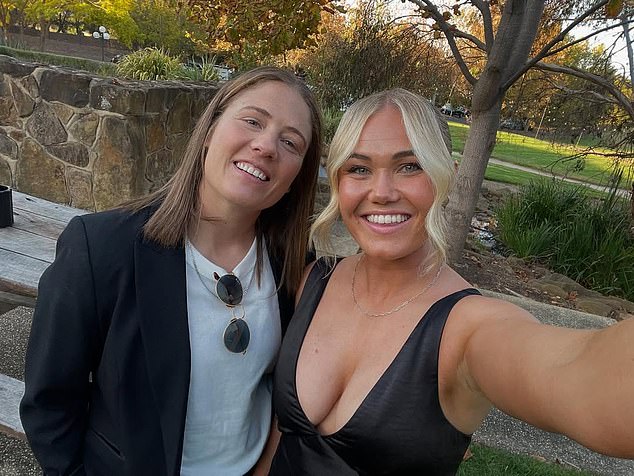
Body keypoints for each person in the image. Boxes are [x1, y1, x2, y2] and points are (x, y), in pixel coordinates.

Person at [268, 88, 634, 475]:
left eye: (410, 166)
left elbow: (582, 378)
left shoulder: (468, 329)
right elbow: (278, 435)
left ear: (450, 176)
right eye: (359, 169)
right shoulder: (313, 279)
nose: (382, 192)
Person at [20, 66, 322, 476]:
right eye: (253, 121)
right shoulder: (101, 248)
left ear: (297, 176)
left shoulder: (296, 264)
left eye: (290, 142)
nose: (266, 146)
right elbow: (49, 403)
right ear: (210, 128)